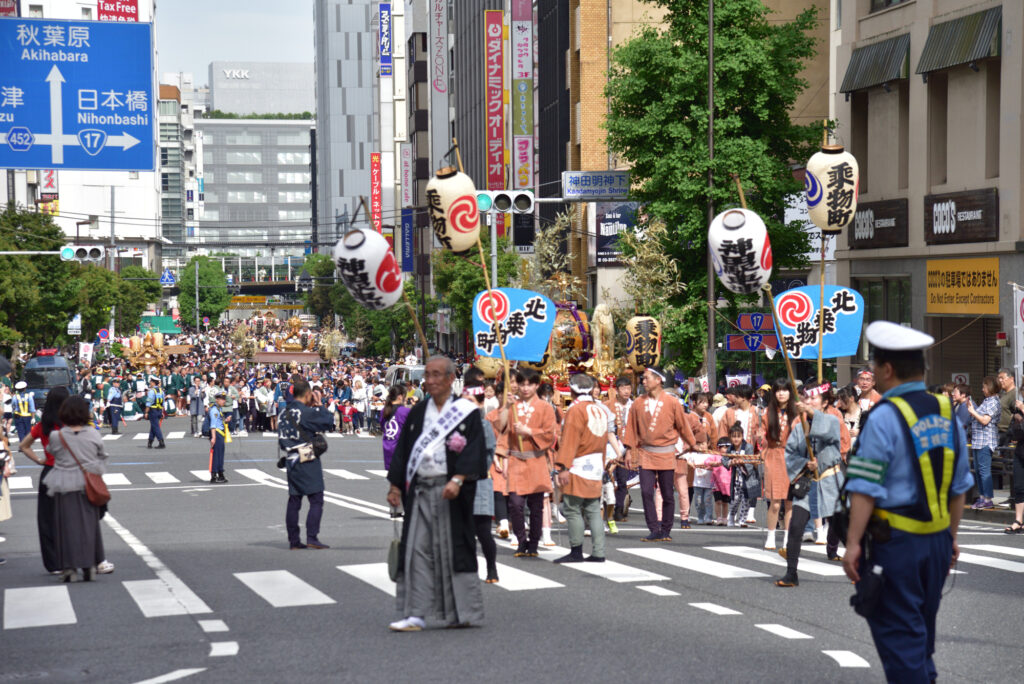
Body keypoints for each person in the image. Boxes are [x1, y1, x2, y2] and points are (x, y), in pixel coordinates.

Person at [842, 321, 973, 683]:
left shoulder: (884, 415)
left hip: (896, 545)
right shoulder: (946, 411)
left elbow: (864, 487)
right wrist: (951, 537)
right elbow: (960, 486)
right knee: (920, 638)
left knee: (901, 640)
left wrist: (852, 543)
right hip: (937, 543)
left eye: (874, 368)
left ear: (887, 369)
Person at [385, 356, 487, 631]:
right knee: (416, 550)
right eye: (427, 375)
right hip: (420, 490)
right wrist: (395, 486)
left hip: (452, 492)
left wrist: (458, 478)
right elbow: (404, 450)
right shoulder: (417, 413)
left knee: (451, 550)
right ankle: (415, 614)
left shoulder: (465, 412)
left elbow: (475, 449)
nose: (429, 380)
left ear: (451, 378)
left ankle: (461, 612)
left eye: (436, 375)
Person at [776, 381, 844, 587]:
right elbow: (790, 453)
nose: (809, 401)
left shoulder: (832, 421)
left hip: (830, 481)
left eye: (814, 398)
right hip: (808, 482)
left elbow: (827, 435)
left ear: (824, 403)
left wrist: (818, 462)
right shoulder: (799, 427)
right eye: (807, 398)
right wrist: (806, 463)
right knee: (796, 526)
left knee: (843, 528)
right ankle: (791, 573)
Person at [622, 366, 697, 542]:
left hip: (666, 452)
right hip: (645, 453)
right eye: (643, 378)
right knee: (646, 492)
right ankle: (654, 529)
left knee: (667, 493)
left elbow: (682, 425)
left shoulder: (672, 402)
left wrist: (693, 444)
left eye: (646, 378)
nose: (643, 381)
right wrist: (629, 450)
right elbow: (631, 428)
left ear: (658, 380)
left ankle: (666, 530)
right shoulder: (638, 403)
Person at [40, 396, 109, 583]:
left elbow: (51, 451)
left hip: (63, 483)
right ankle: (89, 565)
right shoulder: (93, 434)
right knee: (89, 526)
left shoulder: (57, 436)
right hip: (88, 484)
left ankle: (69, 567)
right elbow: (102, 454)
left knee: (65, 526)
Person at [553, 374, 609, 563]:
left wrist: (562, 466)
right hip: (596, 463)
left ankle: (576, 550)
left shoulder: (576, 410)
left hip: (578, 463)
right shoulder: (600, 409)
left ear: (572, 389)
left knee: (572, 507)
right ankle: (599, 551)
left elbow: (570, 440)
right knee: (593, 508)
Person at [504, 368, 557, 557]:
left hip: (536, 459)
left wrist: (529, 432)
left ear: (536, 385)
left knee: (536, 506)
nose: (526, 388)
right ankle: (521, 540)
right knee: (515, 504)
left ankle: (533, 543)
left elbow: (550, 435)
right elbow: (500, 429)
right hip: (516, 460)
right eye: (522, 384)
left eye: (530, 384)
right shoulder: (513, 405)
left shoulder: (545, 407)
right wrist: (506, 408)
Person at [278, 378, 334, 550]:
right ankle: (312, 537)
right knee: (316, 498)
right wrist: (319, 404)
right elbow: (328, 421)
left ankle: (294, 540)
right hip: (306, 456)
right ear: (308, 394)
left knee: (294, 500)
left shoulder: (283, 413)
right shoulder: (306, 412)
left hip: (290, 458)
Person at [462, 371, 499, 582]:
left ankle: (492, 568)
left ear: (480, 404)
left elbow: (489, 452)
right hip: (459, 484)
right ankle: (469, 569)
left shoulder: (484, 425)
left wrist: (474, 468)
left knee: (483, 531)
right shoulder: (455, 424)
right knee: (463, 531)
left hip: (479, 481)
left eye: (471, 402)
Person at [965, 375, 1000, 510]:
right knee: (978, 471)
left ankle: (988, 499)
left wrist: (973, 411)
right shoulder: (986, 401)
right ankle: (982, 497)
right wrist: (971, 410)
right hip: (978, 440)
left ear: (990, 387)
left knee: (984, 471)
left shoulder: (994, 402)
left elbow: (985, 420)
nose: (982, 389)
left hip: (986, 440)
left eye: (984, 387)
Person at [382, 386, 411, 471]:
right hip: (400, 448)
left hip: (387, 446)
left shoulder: (383, 410)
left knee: (393, 475)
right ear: (400, 397)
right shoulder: (405, 411)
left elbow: (383, 428)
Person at [208, 391, 231, 484]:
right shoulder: (214, 410)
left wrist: (226, 420)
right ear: (217, 400)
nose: (224, 401)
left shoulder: (219, 409)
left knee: (220, 454)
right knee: (216, 455)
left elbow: (219, 421)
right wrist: (213, 437)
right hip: (217, 433)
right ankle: (214, 475)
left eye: (224, 399)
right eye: (222, 399)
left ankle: (220, 473)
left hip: (220, 433)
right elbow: (213, 425)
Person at [996, 368, 1017, 445]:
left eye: (1002, 378)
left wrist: (1015, 435)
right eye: (999, 378)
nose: (1000, 380)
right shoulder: (1003, 394)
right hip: (1000, 434)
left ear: (1011, 379)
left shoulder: (1014, 394)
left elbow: (1017, 415)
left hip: (1008, 435)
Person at [144, 377, 166, 449]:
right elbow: (163, 403)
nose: (150, 383)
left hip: (153, 410)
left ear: (153, 383)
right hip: (159, 410)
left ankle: (161, 442)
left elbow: (149, 403)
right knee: (153, 426)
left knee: (156, 427)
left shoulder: (151, 391)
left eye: (150, 382)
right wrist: (162, 412)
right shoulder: (161, 391)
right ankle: (150, 442)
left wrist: (146, 412)